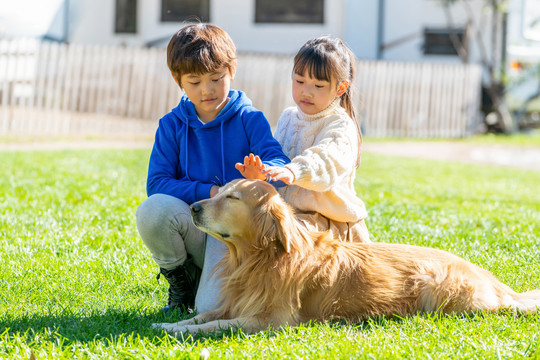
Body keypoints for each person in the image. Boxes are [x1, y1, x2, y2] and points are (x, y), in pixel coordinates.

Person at [135, 24, 289, 314]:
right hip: (193, 223)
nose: (207, 90)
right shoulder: (171, 125)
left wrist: (263, 174)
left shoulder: (250, 119)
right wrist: (212, 191)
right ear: (177, 79)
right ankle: (182, 280)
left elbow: (279, 163)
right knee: (152, 211)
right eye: (194, 82)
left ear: (231, 71)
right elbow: (157, 183)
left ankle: (205, 288)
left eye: (216, 78)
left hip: (231, 234)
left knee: (209, 308)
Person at [242, 36, 370, 243]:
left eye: (318, 85)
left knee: (280, 243)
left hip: (327, 224)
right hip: (289, 216)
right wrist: (263, 174)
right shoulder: (288, 117)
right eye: (300, 81)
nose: (306, 92)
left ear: (340, 88)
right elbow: (274, 159)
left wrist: (293, 170)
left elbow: (326, 158)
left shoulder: (340, 125)